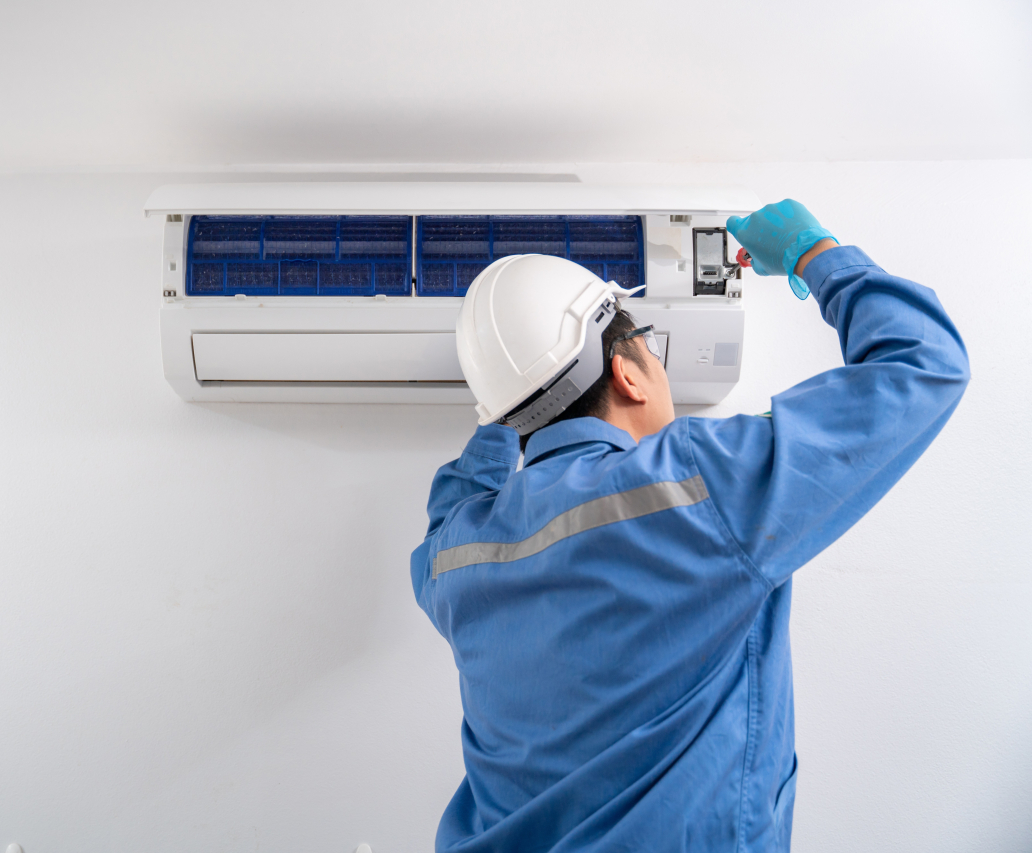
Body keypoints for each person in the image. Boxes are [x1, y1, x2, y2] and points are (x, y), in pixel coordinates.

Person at [410, 201, 969, 853]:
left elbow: (459, 492)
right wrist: (812, 252)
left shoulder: (455, 555)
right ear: (627, 374)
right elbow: (923, 364)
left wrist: (510, 397)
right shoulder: (699, 483)